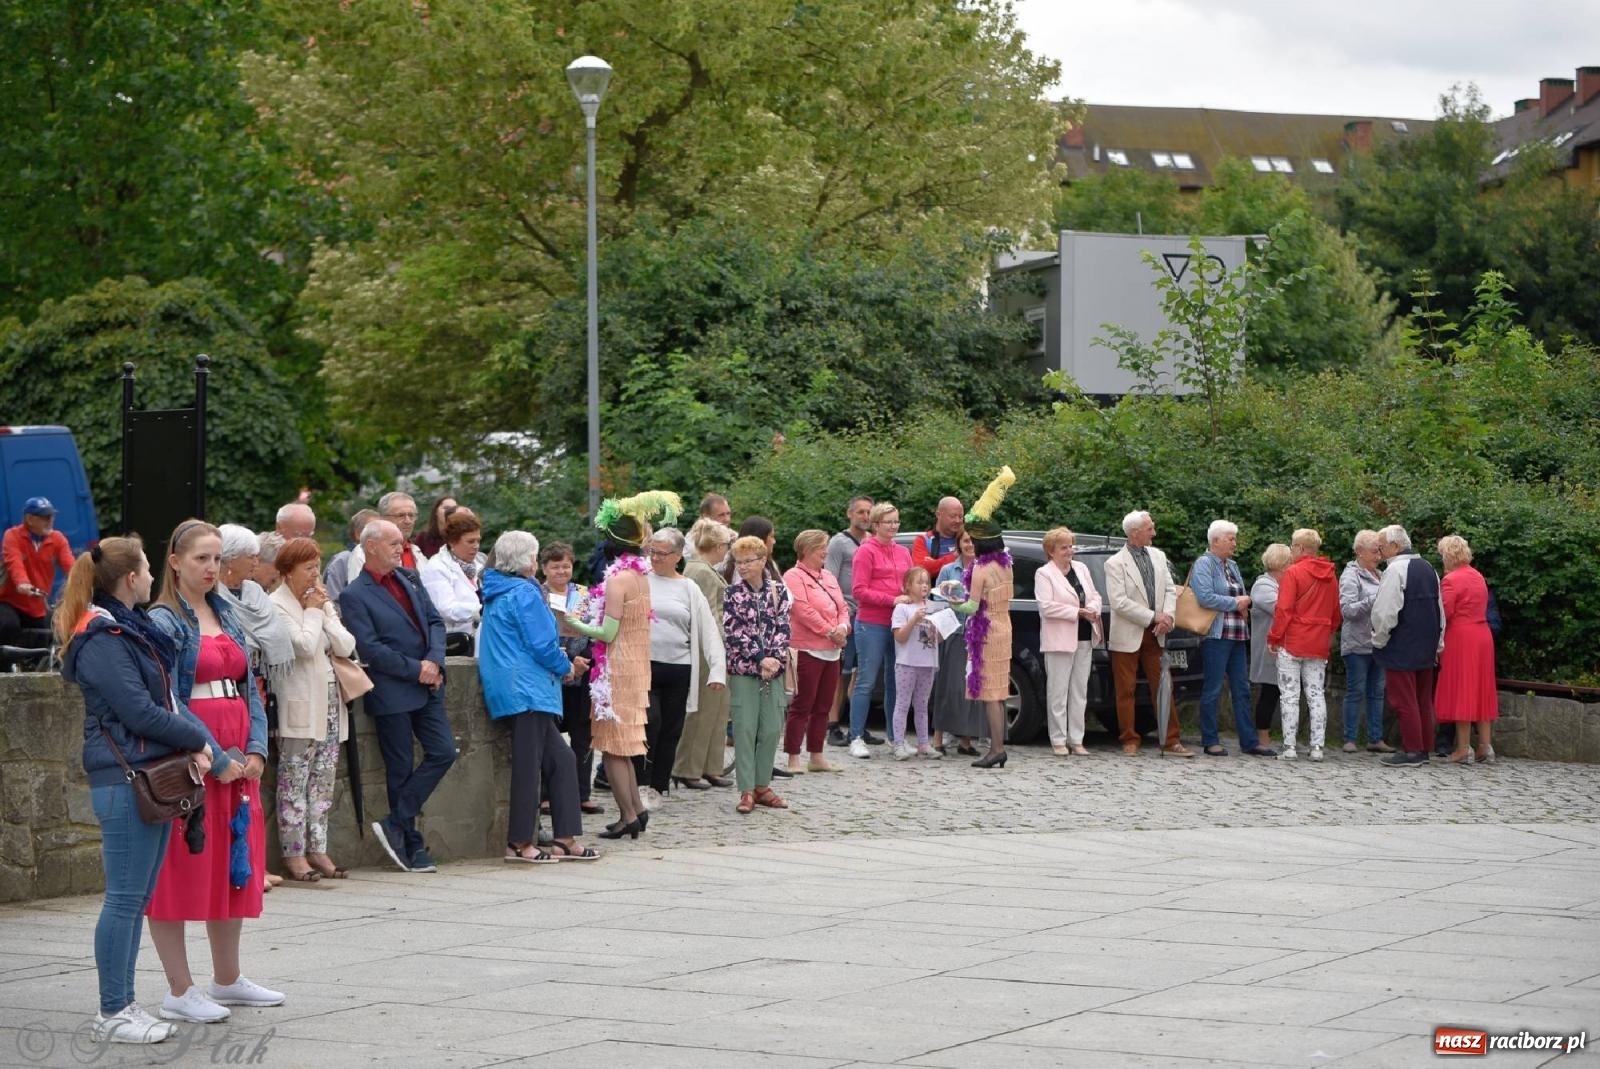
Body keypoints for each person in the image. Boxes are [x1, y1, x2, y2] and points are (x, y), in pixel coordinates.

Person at [58, 536, 214, 1044]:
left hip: (139, 778)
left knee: (135, 897)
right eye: (147, 568)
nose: (152, 576)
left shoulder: (121, 630)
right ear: (130, 578)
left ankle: (124, 1003)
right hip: (125, 780)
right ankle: (112, 1010)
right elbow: (140, 712)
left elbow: (156, 703)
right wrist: (196, 739)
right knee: (124, 900)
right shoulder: (102, 638)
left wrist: (207, 745)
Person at [146, 520, 282, 1024]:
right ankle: (179, 989)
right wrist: (215, 756)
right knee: (181, 868)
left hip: (238, 751)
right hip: (193, 760)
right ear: (176, 561)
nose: (212, 568)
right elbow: (167, 699)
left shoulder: (228, 611)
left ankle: (227, 978)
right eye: (201, 558)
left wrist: (256, 749)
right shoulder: (162, 620)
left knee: (233, 863)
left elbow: (253, 688)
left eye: (217, 558)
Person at [565, 491, 681, 839]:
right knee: (626, 745)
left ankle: (628, 816)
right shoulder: (640, 576)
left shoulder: (617, 580)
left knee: (613, 748)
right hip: (635, 665)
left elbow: (608, 631)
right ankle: (637, 811)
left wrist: (573, 621)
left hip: (616, 668)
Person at [339, 519, 453, 873]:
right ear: (370, 546)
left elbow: (435, 622)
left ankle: (395, 822)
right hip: (392, 689)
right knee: (400, 769)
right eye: (392, 543)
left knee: (444, 751)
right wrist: (415, 668)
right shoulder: (353, 595)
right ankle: (411, 844)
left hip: (427, 684)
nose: (399, 549)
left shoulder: (410, 577)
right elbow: (369, 648)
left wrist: (433, 662)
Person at [479, 531, 599, 862]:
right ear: (526, 560)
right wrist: (566, 666)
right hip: (526, 688)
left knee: (562, 759)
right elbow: (542, 644)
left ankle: (564, 837)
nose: (535, 561)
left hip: (519, 686)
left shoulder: (500, 590)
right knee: (529, 767)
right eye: (533, 556)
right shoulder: (523, 593)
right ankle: (518, 842)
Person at [268, 537, 356, 882]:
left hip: (332, 705)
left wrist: (325, 613)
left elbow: (347, 645)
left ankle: (318, 848)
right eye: (307, 569)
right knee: (293, 781)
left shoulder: (320, 601)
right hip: (299, 706)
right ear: (288, 572)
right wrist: (316, 612)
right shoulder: (277, 605)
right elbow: (303, 646)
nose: (314, 575)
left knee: (322, 781)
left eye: (316, 568)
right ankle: (294, 855)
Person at [641, 526, 725, 804]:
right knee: (650, 723)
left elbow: (709, 629)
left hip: (678, 667)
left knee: (671, 728)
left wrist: (717, 670)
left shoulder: (688, 587)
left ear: (678, 556)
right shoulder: (640, 579)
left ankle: (658, 785)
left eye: (663, 554)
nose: (656, 558)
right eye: (653, 552)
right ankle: (641, 782)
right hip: (645, 665)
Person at [1104, 510, 1190, 757]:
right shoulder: (1115, 563)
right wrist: (1154, 616)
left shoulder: (1159, 556)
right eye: (1149, 528)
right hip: (1129, 632)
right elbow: (1119, 602)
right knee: (1126, 689)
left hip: (1157, 632)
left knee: (1163, 686)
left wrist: (1169, 617)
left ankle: (1171, 739)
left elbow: (1171, 590)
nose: (1154, 532)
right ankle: (1129, 739)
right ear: (1134, 533)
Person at [949, 468, 1016, 768]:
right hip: (1004, 626)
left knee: (990, 694)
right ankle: (999, 747)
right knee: (1000, 692)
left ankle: (996, 749)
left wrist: (951, 599)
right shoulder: (1005, 564)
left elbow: (972, 607)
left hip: (987, 630)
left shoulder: (979, 569)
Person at [724, 535, 792, 813]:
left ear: (763, 560)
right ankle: (747, 789)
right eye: (738, 562)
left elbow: (784, 627)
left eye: (748, 561)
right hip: (744, 670)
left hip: (773, 672)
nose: (742, 567)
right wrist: (760, 658)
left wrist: (774, 659)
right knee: (745, 729)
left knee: (772, 728)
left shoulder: (778, 591)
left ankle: (763, 784)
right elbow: (734, 633)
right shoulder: (732, 594)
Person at [1190, 520, 1268, 757]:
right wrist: (1237, 602)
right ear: (1215, 541)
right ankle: (1210, 739)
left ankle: (1249, 741)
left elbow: (1242, 595)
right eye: (1230, 538)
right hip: (1217, 634)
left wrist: (1245, 603)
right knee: (1213, 688)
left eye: (1234, 538)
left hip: (1237, 633)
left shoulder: (1231, 565)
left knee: (1242, 688)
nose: (1234, 543)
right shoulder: (1204, 564)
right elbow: (1204, 597)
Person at [1371, 524, 1445, 767]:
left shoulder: (1395, 571)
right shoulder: (1429, 568)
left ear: (1395, 546)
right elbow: (1439, 609)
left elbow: (1385, 612)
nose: (1379, 553)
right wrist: (1438, 642)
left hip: (1402, 643)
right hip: (1426, 644)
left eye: (1381, 547)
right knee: (1423, 699)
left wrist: (1379, 639)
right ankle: (1424, 747)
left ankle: (1412, 749)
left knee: (1404, 699)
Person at [1267, 528, 1342, 762]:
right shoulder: (1330, 574)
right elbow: (1336, 613)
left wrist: (1274, 637)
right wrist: (1325, 632)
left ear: (1299, 548)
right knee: (1316, 695)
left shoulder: (1293, 572)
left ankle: (1289, 747)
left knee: (1290, 695)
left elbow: (1284, 609)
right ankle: (1317, 747)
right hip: (1318, 642)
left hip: (1293, 640)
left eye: (1292, 546)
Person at [539, 541, 602, 813]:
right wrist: (565, 660)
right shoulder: (538, 594)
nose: (561, 571)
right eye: (555, 567)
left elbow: (594, 628)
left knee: (582, 735)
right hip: (550, 673)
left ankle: (581, 793)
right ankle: (546, 794)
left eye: (566, 565)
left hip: (582, 671)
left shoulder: (582, 594)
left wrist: (583, 659)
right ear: (545, 568)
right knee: (548, 736)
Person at [673, 520, 736, 789]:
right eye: (725, 545)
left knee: (718, 709)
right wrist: (724, 645)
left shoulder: (703, 569)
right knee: (703, 709)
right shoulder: (702, 572)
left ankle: (711, 765)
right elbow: (710, 614)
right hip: (708, 647)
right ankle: (688, 767)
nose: (726, 551)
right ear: (717, 546)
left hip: (713, 646)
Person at [846, 502, 912, 758]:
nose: (894, 526)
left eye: (896, 521)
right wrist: (892, 599)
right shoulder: (865, 551)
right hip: (872, 622)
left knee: (896, 682)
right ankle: (856, 736)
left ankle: (895, 737)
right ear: (876, 525)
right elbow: (859, 590)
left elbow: (908, 584)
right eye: (889, 522)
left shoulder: (903, 552)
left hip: (899, 623)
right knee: (866, 680)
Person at [783, 529, 850, 773]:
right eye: (822, 548)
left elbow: (842, 606)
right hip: (807, 648)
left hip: (832, 650)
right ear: (808, 549)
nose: (826, 552)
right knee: (802, 704)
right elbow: (802, 610)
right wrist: (829, 630)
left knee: (824, 705)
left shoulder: (829, 576)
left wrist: (843, 627)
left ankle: (816, 754)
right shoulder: (793, 576)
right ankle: (793, 757)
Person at [1035, 526, 1101, 757]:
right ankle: (1058, 739)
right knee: (1058, 692)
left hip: (1084, 636)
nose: (1069, 550)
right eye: (1063, 547)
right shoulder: (1044, 573)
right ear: (1051, 551)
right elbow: (1046, 606)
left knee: (1079, 691)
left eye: (1070, 546)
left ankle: (1077, 739)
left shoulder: (1081, 568)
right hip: (1059, 639)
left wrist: (1091, 609)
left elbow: (1094, 595)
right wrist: (1077, 612)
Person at [1434, 535, 1499, 764]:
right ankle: (1485, 746)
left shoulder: (1451, 579)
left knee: (1463, 689)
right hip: (1483, 636)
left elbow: (1446, 613)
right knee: (1482, 689)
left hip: (1462, 638)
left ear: (1447, 555)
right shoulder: (1478, 576)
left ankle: (1463, 748)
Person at [824, 495, 875, 748]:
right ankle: (832, 725)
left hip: (868, 615)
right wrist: (838, 615)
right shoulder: (839, 543)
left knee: (860, 673)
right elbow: (830, 579)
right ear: (850, 514)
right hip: (847, 613)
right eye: (861, 512)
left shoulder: (873, 542)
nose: (865, 517)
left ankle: (858, 725)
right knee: (841, 673)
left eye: (869, 512)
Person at [1339, 529, 1392, 754]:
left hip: (1378, 643)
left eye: (1380, 551)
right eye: (1374, 551)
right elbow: (1347, 611)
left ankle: (1375, 738)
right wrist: (1375, 598)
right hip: (1356, 644)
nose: (1378, 556)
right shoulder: (1350, 575)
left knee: (1377, 692)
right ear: (1359, 551)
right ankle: (1349, 738)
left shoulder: (1382, 575)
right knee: (1356, 691)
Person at [931, 532, 985, 755]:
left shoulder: (984, 569)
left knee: (970, 687)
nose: (970, 544)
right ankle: (937, 738)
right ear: (959, 545)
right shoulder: (948, 570)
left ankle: (965, 740)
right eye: (965, 541)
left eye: (973, 541)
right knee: (948, 687)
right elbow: (937, 601)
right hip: (953, 632)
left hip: (977, 635)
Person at [1, 496, 75, 648]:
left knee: (52, 635)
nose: (50, 521)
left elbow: (71, 566)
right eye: (45, 517)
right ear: (29, 519)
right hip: (9, 601)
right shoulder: (13, 536)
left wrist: (82, 582)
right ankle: (4, 667)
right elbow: (14, 562)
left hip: (36, 605)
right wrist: (23, 583)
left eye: (52, 516)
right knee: (8, 625)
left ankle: (38, 669)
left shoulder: (57, 539)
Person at [888, 566, 941, 759]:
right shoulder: (902, 608)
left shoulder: (933, 607)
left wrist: (941, 628)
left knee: (922, 704)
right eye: (919, 582)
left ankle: (923, 743)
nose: (924, 586)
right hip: (907, 663)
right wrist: (914, 620)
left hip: (928, 663)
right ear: (908, 586)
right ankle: (899, 743)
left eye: (927, 582)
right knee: (902, 704)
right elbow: (900, 637)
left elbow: (937, 639)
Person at [420, 506, 484, 656]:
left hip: (479, 642)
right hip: (454, 647)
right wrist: (481, 610)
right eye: (470, 541)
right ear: (453, 542)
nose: (476, 546)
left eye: (478, 541)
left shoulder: (478, 566)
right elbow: (446, 609)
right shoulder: (436, 568)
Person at [1249, 544, 1290, 754]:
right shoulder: (1263, 586)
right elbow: (1282, 610)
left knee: (1280, 693)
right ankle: (1262, 736)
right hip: (1267, 650)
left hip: (1282, 648)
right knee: (1269, 692)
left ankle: (1281, 735)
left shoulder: (1282, 585)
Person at [344, 491, 427, 582]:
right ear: (383, 518)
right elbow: (359, 593)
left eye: (411, 515)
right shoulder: (366, 551)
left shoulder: (417, 553)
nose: (408, 521)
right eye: (401, 515)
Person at [324, 509, 377, 602]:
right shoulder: (342, 561)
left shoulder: (383, 560)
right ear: (358, 534)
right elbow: (332, 600)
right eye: (375, 531)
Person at [910, 496, 964, 580]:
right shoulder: (923, 540)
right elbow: (921, 572)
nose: (957, 520)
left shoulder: (966, 539)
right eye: (953, 516)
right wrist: (955, 556)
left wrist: (934, 563)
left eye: (960, 517)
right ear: (938, 515)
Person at [683, 494, 732, 561]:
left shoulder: (732, 535)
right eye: (721, 515)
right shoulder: (693, 541)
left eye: (728, 513)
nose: (727, 519)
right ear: (706, 516)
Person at [414, 494, 458, 559]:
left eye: (453, 509)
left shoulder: (461, 537)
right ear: (436, 511)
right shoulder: (423, 538)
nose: (450, 512)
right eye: (446, 508)